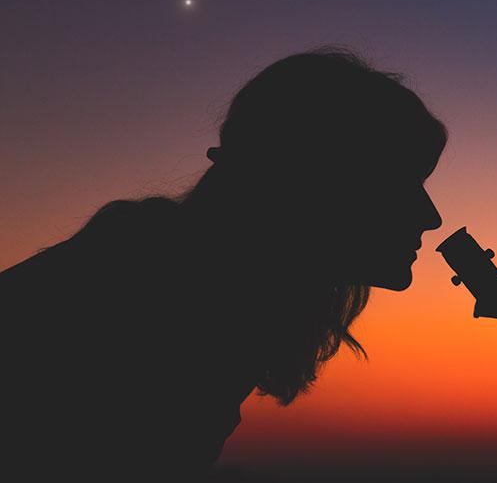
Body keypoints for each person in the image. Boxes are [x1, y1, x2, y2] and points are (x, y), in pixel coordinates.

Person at [0, 48, 446, 479]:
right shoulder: (168, 316)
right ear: (325, 183)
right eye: (404, 183)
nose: (431, 216)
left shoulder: (166, 273)